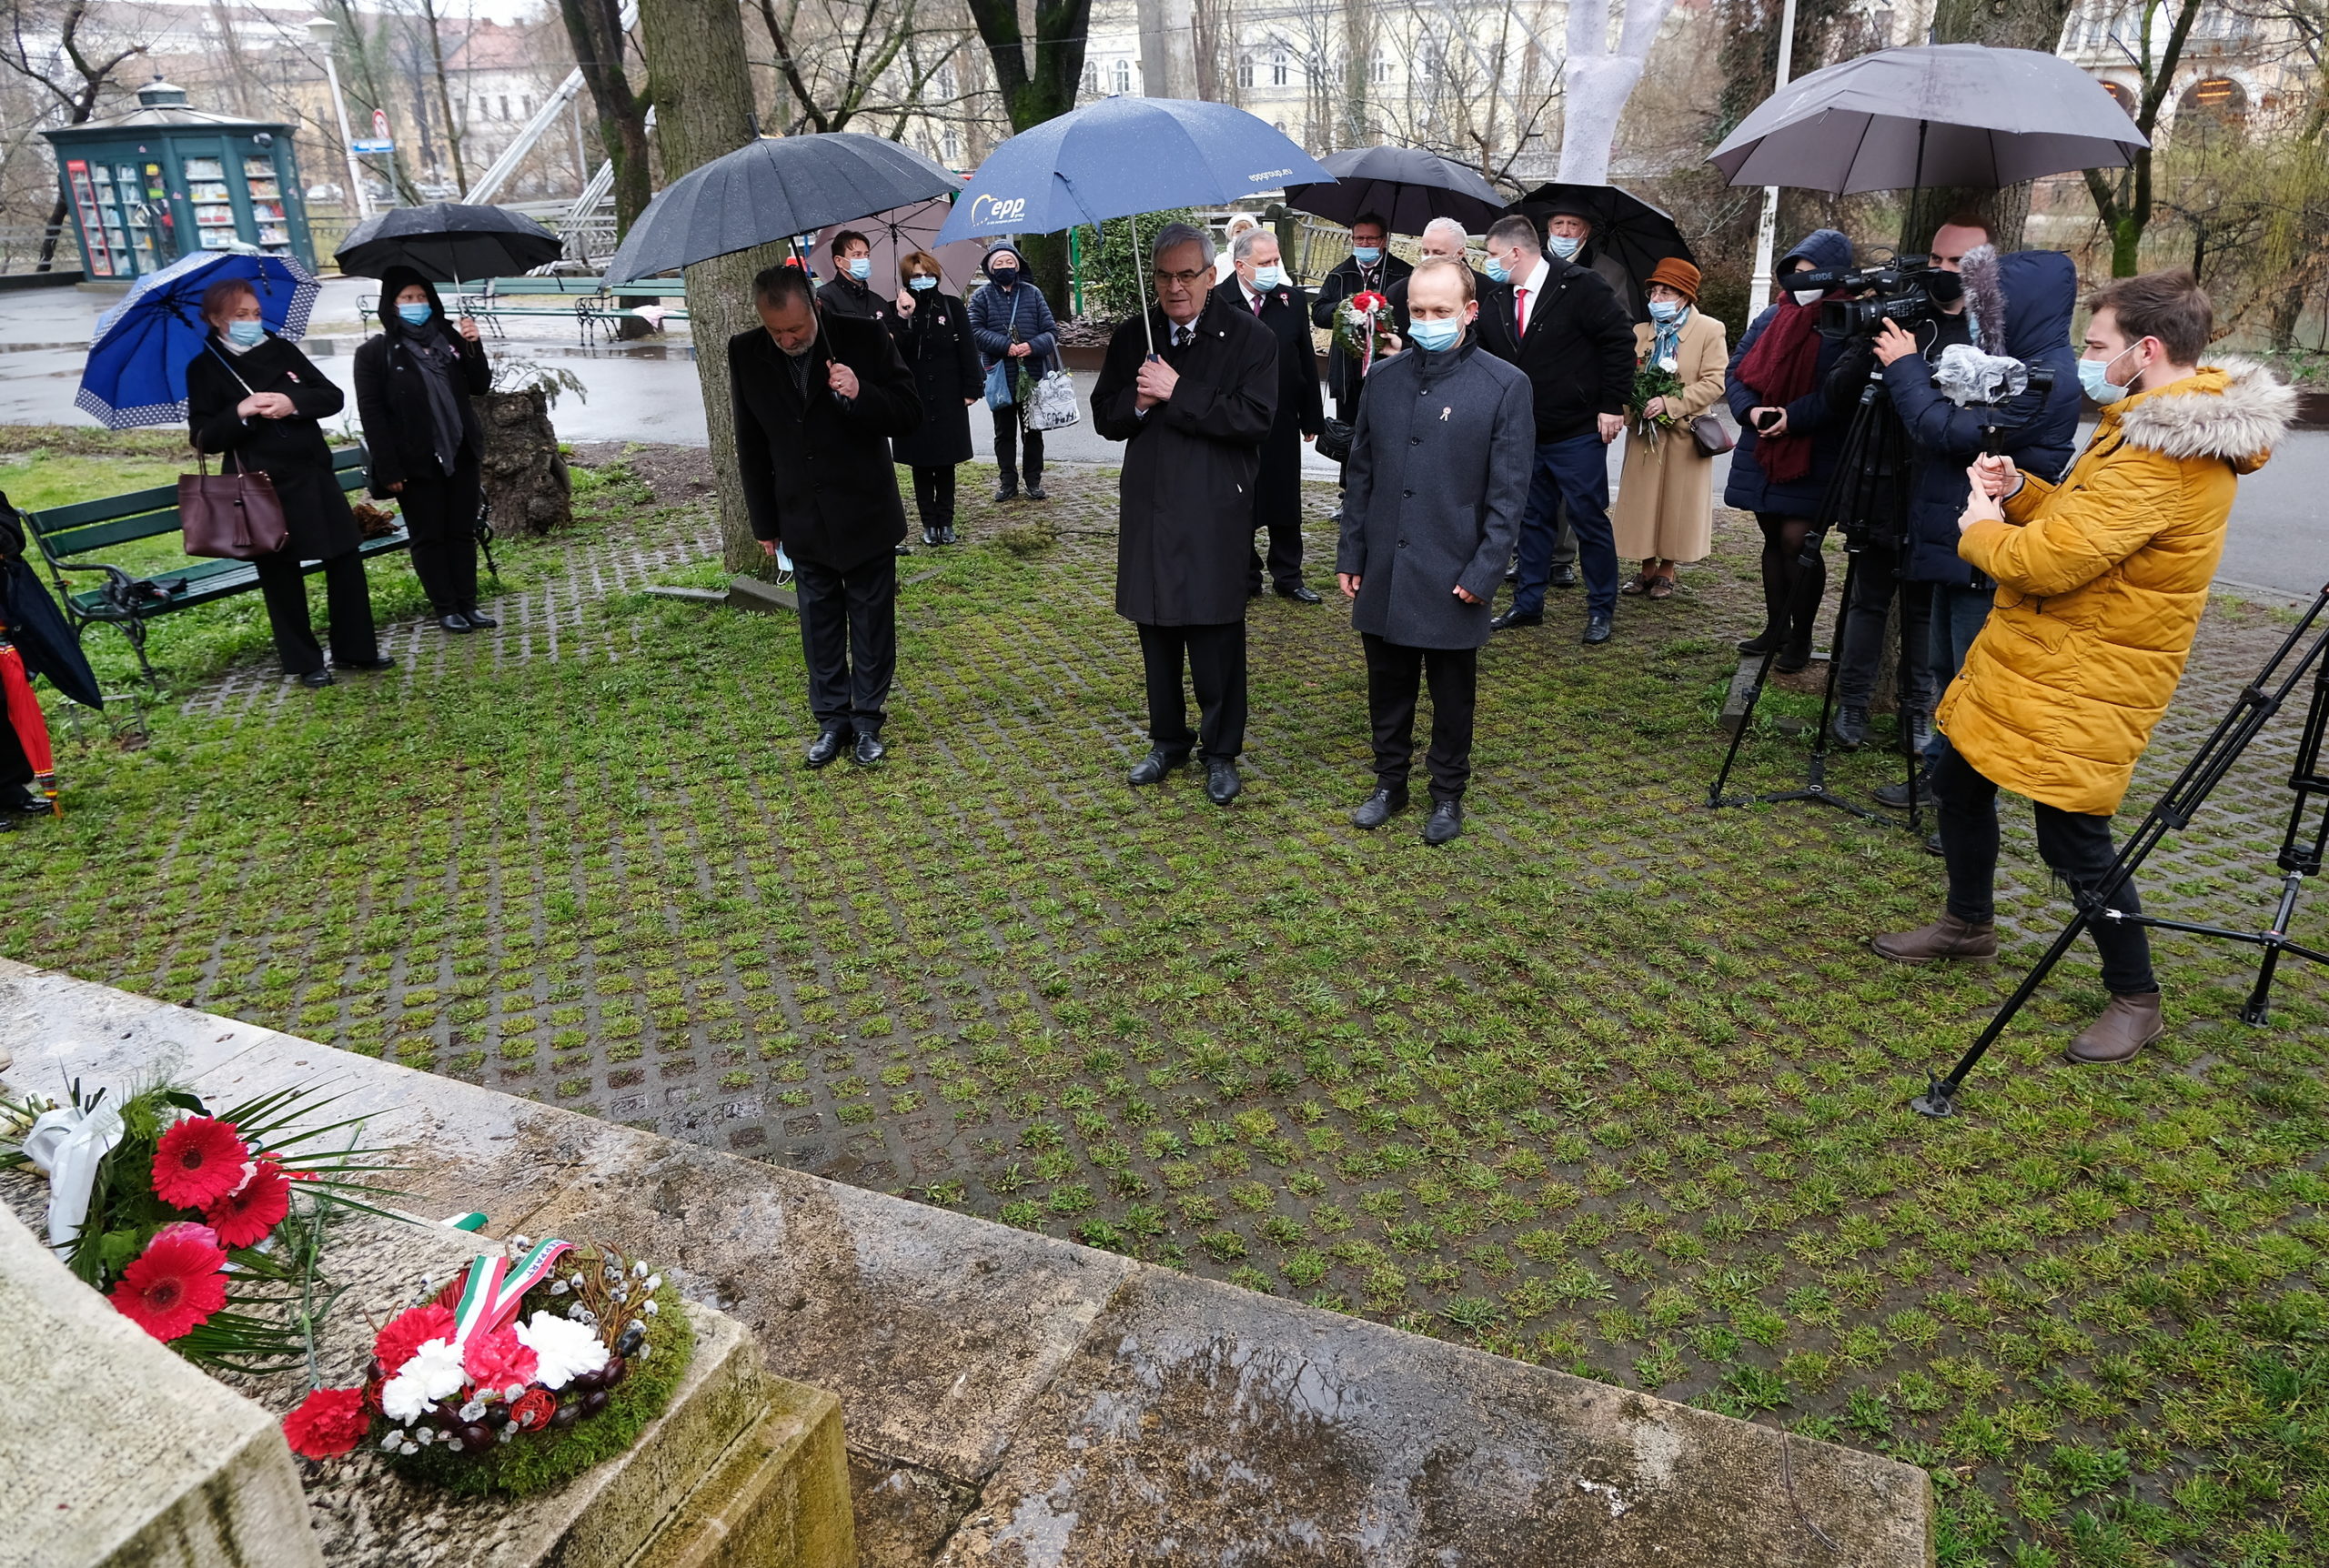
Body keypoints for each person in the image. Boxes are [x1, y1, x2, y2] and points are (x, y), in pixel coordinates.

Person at [1873, 269, 2294, 1063]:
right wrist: (2024, 489)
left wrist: (1981, 525)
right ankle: (1968, 925)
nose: (2086, 358)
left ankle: (2136, 997)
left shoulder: (2162, 453)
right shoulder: (2152, 427)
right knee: (1959, 778)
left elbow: (2050, 564)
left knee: (2073, 835)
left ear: (2147, 348)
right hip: (2045, 654)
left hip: (2089, 671)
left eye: (2097, 346)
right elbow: (2088, 526)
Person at [1862, 224, 2081, 800]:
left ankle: (1964, 797)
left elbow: (1951, 432)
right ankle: (1941, 776)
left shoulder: (2038, 375)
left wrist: (1906, 369)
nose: (1982, 314)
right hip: (1954, 535)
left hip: (1991, 544)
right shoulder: (2000, 359)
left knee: (1973, 672)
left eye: (1992, 304)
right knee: (1944, 667)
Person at [1336, 258, 1531, 846]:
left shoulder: (1505, 386)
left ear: (1468, 313)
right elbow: (1362, 473)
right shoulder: (1384, 379)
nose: (1427, 321)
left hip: (1455, 571)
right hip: (1388, 568)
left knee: (1452, 696)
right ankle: (1388, 782)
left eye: (1440, 312)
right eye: (1417, 311)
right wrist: (1352, 554)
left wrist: (1486, 570)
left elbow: (1508, 494)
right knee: (1387, 684)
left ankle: (1447, 792)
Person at [1093, 222, 1279, 807]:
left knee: (1215, 630)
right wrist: (1138, 400)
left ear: (1211, 275)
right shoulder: (1134, 337)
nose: (1175, 289)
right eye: (1165, 277)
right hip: (1151, 504)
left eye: (1187, 276)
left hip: (1214, 505)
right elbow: (1105, 415)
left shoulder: (1251, 339)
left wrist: (1179, 392)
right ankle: (1167, 739)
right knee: (1157, 629)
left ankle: (1221, 751)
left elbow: (1255, 420)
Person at [729, 266, 923, 769]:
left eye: (796, 329)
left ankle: (866, 719)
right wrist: (764, 524)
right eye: (776, 332)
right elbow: (750, 443)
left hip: (865, 508)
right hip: (800, 512)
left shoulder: (863, 335)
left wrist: (862, 393)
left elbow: (909, 411)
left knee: (871, 617)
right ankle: (831, 718)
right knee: (818, 621)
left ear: (815, 307)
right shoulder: (745, 352)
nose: (788, 340)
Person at [186, 277, 392, 689]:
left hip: (313, 476)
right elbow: (204, 439)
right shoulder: (204, 367)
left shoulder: (281, 349)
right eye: (240, 316)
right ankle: (304, 661)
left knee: (345, 558)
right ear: (215, 319)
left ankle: (356, 649)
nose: (251, 321)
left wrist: (291, 403)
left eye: (256, 313)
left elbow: (330, 397)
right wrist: (241, 412)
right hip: (262, 488)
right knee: (281, 574)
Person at [1477, 215, 1636, 645]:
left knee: (1587, 517)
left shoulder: (1580, 285)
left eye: (1492, 255)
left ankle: (1601, 608)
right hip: (1525, 431)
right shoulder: (1497, 299)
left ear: (1515, 252)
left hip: (1577, 430)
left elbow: (1619, 341)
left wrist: (1611, 403)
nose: (1487, 263)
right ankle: (1529, 603)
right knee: (1531, 519)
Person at [1721, 229, 1858, 673]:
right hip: (1762, 446)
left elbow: (1843, 390)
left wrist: (1792, 417)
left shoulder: (1847, 318)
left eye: (1811, 273)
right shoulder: (1771, 316)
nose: (1801, 281)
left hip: (1814, 448)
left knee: (1799, 542)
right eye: (1794, 272)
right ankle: (1775, 627)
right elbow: (1737, 372)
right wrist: (1753, 411)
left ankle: (1800, 638)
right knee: (1771, 539)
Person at [354, 266, 495, 634]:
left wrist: (473, 345)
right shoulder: (375, 353)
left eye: (421, 297)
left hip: (461, 450)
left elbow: (479, 385)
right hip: (414, 460)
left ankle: (468, 603)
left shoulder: (449, 337)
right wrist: (390, 468)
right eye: (407, 298)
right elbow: (373, 415)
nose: (416, 304)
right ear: (392, 305)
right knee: (429, 535)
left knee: (462, 532)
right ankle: (446, 608)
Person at [1212, 224, 1325, 602]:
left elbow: (1305, 361)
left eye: (1276, 260)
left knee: (1284, 497)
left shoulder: (1290, 300)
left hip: (1282, 417)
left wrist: (1312, 417)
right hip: (1236, 420)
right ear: (1241, 266)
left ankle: (1289, 575)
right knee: (1242, 496)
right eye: (1266, 262)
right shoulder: (1218, 302)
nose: (1274, 267)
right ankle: (1244, 575)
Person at [1610, 257, 1728, 598]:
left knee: (1678, 503)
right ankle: (1645, 568)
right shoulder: (1640, 332)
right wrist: (1633, 406)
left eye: (1667, 291)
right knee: (1642, 502)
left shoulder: (1709, 330)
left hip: (1685, 433)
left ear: (1685, 296)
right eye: (1655, 291)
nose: (1658, 298)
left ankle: (1667, 569)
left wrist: (1670, 403)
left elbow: (1714, 383)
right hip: (1645, 433)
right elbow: (1625, 377)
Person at [885, 250, 983, 548]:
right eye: (916, 276)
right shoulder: (897, 309)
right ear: (906, 279)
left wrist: (971, 389)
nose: (923, 280)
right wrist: (903, 318)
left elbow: (967, 349)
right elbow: (891, 353)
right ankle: (928, 521)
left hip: (947, 396)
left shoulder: (951, 306)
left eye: (928, 274)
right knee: (921, 462)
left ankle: (946, 519)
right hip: (913, 398)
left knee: (945, 461)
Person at [967, 240, 1058, 503]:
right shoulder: (981, 297)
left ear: (1018, 265)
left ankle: (1033, 480)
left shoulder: (1033, 293)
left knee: (1033, 432)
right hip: (1000, 376)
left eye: (1009, 262)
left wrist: (1030, 346)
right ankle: (1008, 482)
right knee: (1004, 433)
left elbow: (1052, 333)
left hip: (1032, 376)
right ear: (990, 268)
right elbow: (974, 331)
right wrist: (1006, 347)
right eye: (999, 263)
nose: (1005, 266)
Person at [1310, 213, 1410, 435]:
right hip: (1348, 372)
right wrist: (1347, 307)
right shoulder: (1340, 274)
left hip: (1387, 368)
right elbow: (1318, 313)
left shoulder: (1403, 274)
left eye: (1371, 239)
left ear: (1384, 240)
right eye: (1359, 239)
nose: (1365, 243)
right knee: (1348, 439)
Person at [1386, 218, 1488, 337]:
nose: (1430, 258)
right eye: (1425, 252)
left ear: (1459, 253)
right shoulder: (1399, 292)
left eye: (1438, 253)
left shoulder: (1487, 291)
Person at [1544, 198, 1637, 319]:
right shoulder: (1529, 263)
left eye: (1573, 224)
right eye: (1558, 224)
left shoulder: (1610, 271)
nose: (1564, 232)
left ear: (1586, 231)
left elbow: (1623, 322)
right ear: (1549, 229)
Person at [817, 229, 886, 323]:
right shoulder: (825, 297)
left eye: (867, 254)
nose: (864, 259)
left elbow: (895, 332)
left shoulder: (878, 301)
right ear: (839, 261)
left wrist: (902, 315)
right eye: (857, 255)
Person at [1215, 214, 1259, 285]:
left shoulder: (1265, 257)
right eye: (1238, 231)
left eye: (1248, 231)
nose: (1243, 235)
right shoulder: (1221, 260)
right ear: (1231, 235)